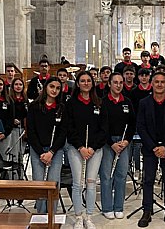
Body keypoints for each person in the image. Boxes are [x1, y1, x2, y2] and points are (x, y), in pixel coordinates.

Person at [136, 72, 165, 228]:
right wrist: (153, 146)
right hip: (150, 148)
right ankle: (147, 211)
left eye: (163, 82)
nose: (160, 84)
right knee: (148, 180)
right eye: (157, 82)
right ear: (152, 83)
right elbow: (140, 127)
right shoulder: (144, 102)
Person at [65, 71, 108, 229]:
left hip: (95, 150)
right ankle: (78, 216)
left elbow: (104, 129)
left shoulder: (99, 103)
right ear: (77, 84)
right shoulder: (71, 103)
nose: (85, 83)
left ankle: (88, 216)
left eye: (88, 81)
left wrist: (92, 147)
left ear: (93, 83)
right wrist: (81, 147)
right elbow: (69, 128)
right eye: (82, 81)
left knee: (91, 183)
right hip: (76, 149)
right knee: (78, 184)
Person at [99, 72, 136, 220]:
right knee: (106, 176)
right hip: (108, 143)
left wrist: (126, 141)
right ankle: (107, 207)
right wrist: (111, 143)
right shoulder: (103, 102)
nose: (119, 85)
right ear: (109, 84)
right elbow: (100, 126)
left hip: (123, 143)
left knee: (121, 175)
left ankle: (118, 207)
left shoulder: (127, 102)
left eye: (121, 82)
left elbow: (133, 124)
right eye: (115, 82)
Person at [27, 77, 66, 214]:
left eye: (57, 88)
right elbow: (30, 132)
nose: (54, 90)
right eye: (52, 87)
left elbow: (62, 133)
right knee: (39, 184)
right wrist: (41, 153)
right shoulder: (34, 107)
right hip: (37, 151)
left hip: (54, 151)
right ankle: (41, 215)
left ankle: (51, 216)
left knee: (53, 183)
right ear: (45, 88)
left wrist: (51, 152)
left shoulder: (61, 108)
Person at [7, 77, 28, 178]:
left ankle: (21, 174)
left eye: (20, 84)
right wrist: (12, 120)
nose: (18, 86)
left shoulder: (25, 100)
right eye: (16, 84)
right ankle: (13, 176)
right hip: (13, 130)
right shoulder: (9, 100)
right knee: (14, 154)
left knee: (21, 153)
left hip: (23, 130)